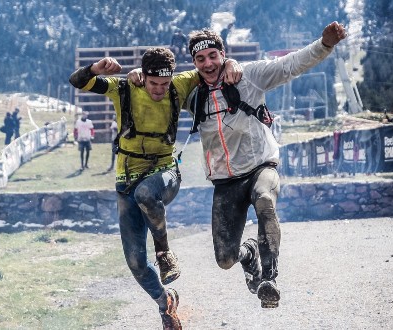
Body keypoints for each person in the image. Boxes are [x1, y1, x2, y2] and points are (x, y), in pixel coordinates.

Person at [69, 47, 241, 330]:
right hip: (127, 180)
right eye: (153, 84)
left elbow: (214, 70)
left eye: (164, 84)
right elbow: (77, 81)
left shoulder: (181, 83)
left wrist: (231, 61)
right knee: (135, 262)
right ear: (143, 76)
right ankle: (165, 302)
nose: (160, 90)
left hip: (165, 173)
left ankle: (164, 253)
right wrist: (95, 68)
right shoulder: (124, 87)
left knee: (147, 194)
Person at [185, 22, 346, 309]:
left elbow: (289, 66)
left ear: (223, 54)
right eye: (200, 59)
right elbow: (155, 89)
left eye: (213, 56)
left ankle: (270, 279)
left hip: (261, 166)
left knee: (264, 201)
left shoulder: (249, 76)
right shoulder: (192, 94)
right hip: (225, 181)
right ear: (194, 62)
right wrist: (136, 76)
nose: (208, 63)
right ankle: (249, 255)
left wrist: (324, 45)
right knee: (225, 259)